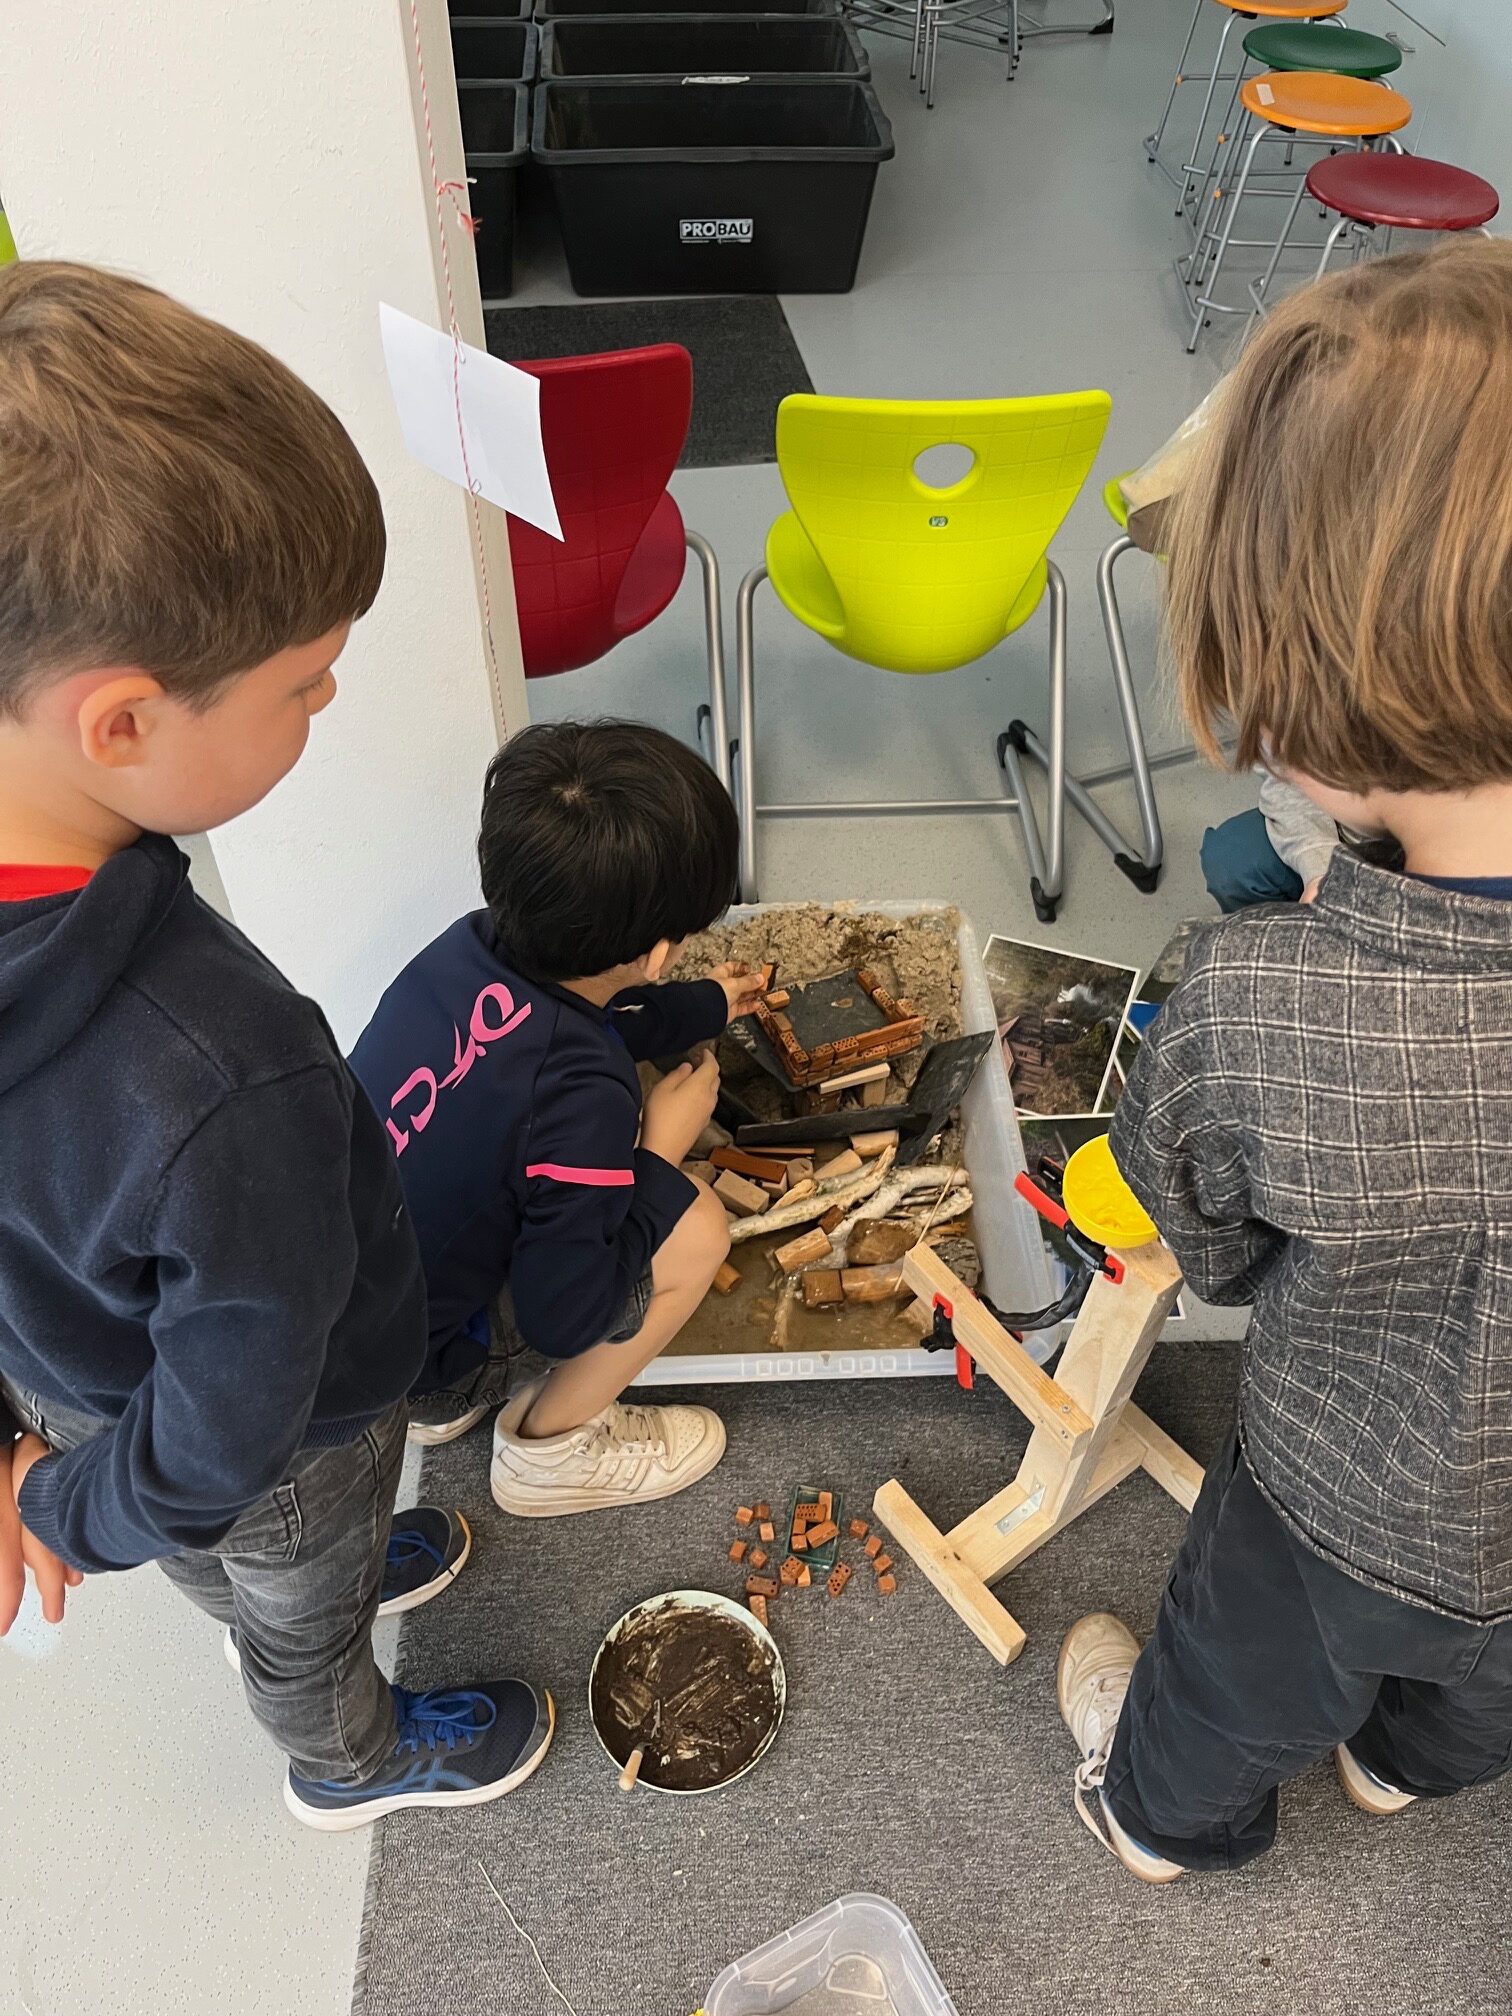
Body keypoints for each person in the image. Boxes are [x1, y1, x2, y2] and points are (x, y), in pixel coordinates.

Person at [0, 261, 552, 1830]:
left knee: (238, 1546)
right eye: (303, 683)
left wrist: (39, 1456)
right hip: (265, 1444)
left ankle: (290, 1571)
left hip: (76, 1389)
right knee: (294, 1603)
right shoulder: (223, 1070)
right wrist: (68, 1510)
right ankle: (347, 1756)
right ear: (121, 723)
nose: (329, 695)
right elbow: (234, 1418)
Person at [1057, 239, 1512, 1880]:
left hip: (1336, 1496)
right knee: (1477, 1697)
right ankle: (1402, 1768)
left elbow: (1216, 1246)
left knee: (1228, 1685)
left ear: (1309, 712)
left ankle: (1159, 1817)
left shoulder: (1251, 1000)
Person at [349, 720, 750, 1515]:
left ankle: (434, 1395)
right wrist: (658, 1155)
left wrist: (707, 1005)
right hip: (414, 1361)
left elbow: (588, 1011)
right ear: (658, 953)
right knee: (698, 1229)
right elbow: (564, 1317)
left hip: (363, 1303)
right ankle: (551, 1450)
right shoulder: (584, 1097)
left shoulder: (465, 947)